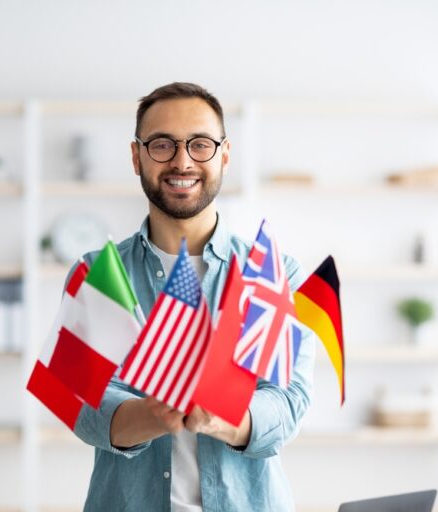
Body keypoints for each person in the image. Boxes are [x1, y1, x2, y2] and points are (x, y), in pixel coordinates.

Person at [72, 82, 316, 512]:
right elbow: (83, 404)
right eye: (162, 144)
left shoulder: (273, 275)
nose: (182, 161)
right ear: (137, 157)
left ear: (224, 155)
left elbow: (287, 403)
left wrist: (223, 417)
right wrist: (152, 415)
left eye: (200, 144)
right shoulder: (98, 274)